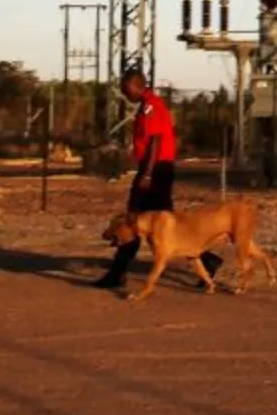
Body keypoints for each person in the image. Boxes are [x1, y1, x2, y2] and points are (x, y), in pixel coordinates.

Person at [94, 68, 220, 289]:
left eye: (126, 90)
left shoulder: (151, 107)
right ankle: (207, 261)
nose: (125, 95)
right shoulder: (148, 105)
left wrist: (148, 173)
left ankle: (118, 272)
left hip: (156, 170)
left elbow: (155, 141)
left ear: (136, 85)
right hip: (157, 169)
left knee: (134, 218)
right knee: (165, 223)